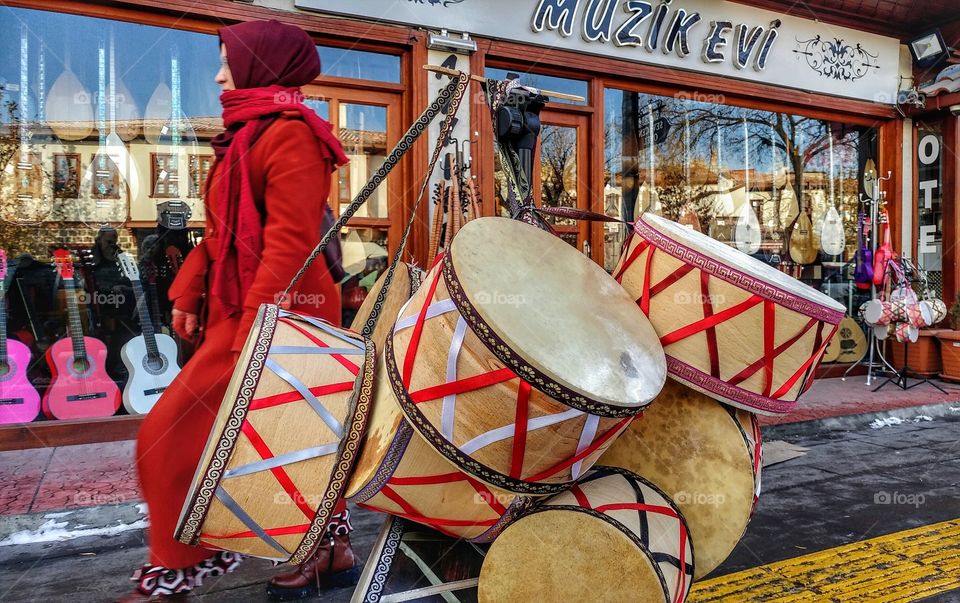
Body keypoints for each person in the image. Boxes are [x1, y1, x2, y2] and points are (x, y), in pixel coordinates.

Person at [121, 20, 352, 602]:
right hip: (246, 307)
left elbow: (290, 247)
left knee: (165, 437)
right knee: (299, 438)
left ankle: (172, 575)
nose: (220, 74)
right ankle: (331, 547)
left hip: (282, 313)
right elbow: (224, 234)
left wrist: (255, 332)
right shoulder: (248, 133)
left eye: (228, 61)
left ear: (262, 66)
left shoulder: (292, 135)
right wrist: (191, 288)